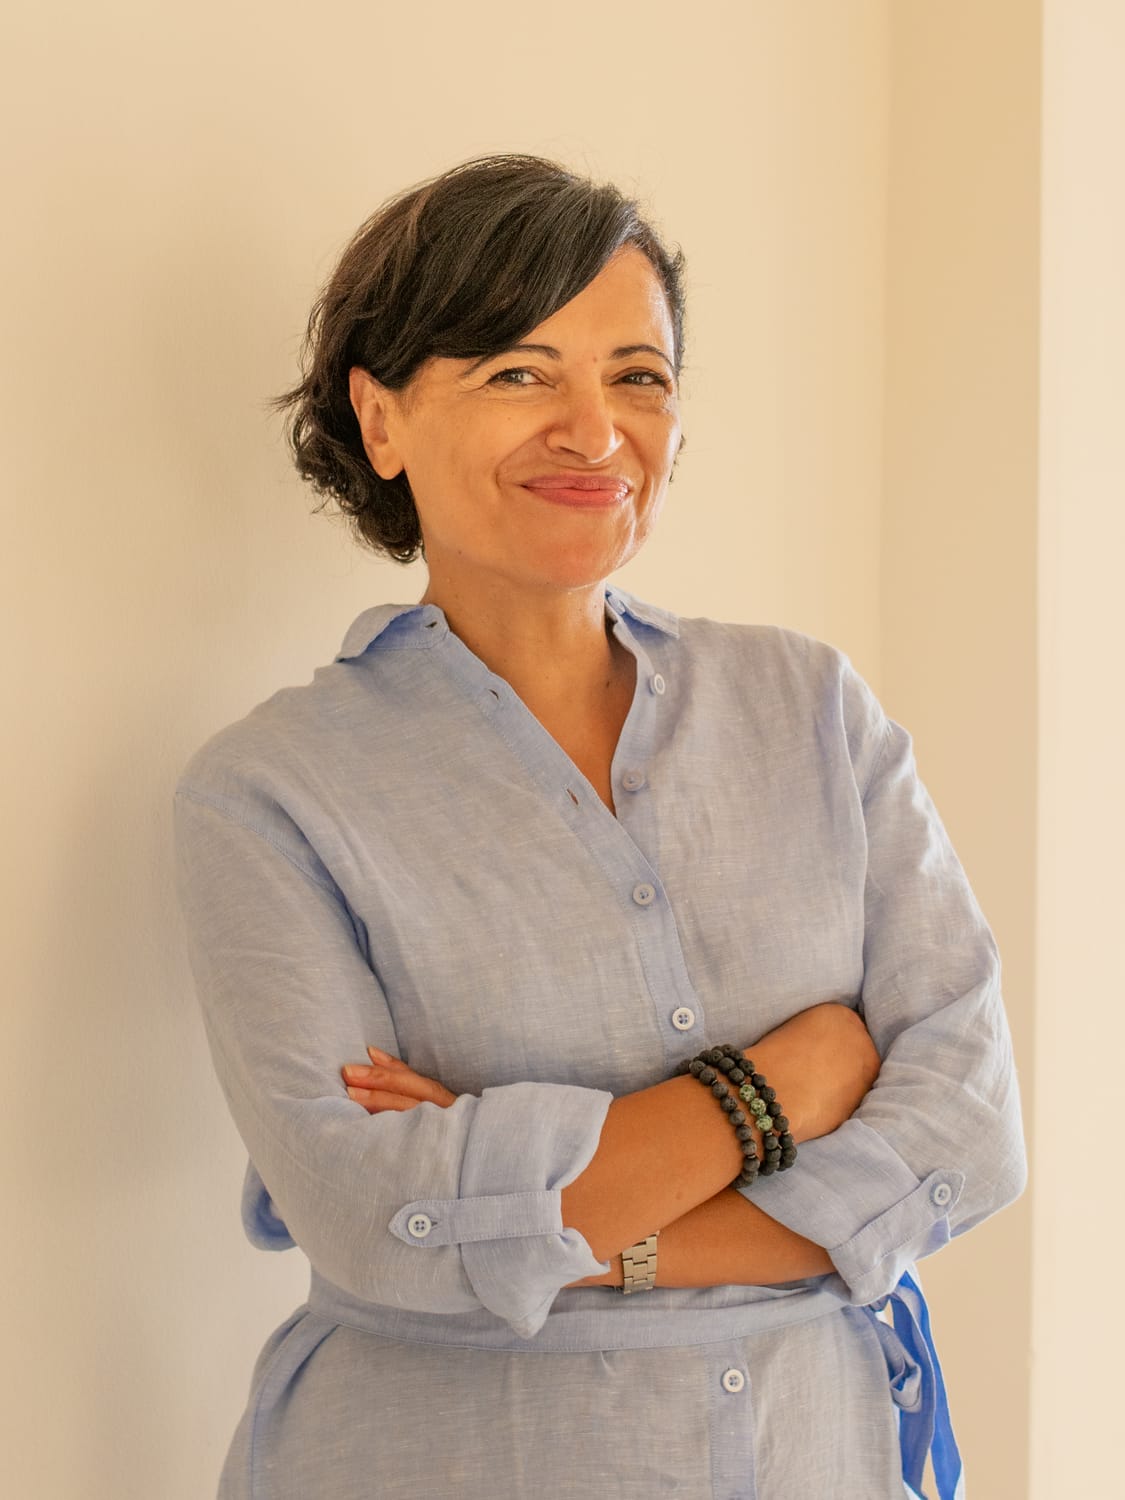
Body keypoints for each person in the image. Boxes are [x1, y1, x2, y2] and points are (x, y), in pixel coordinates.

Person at [174, 153, 1026, 1500]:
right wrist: (773, 1094)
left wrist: (550, 1213)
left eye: (637, 375)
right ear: (382, 420)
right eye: (519, 373)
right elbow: (376, 1220)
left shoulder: (810, 708)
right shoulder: (272, 791)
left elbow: (968, 1134)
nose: (592, 431)